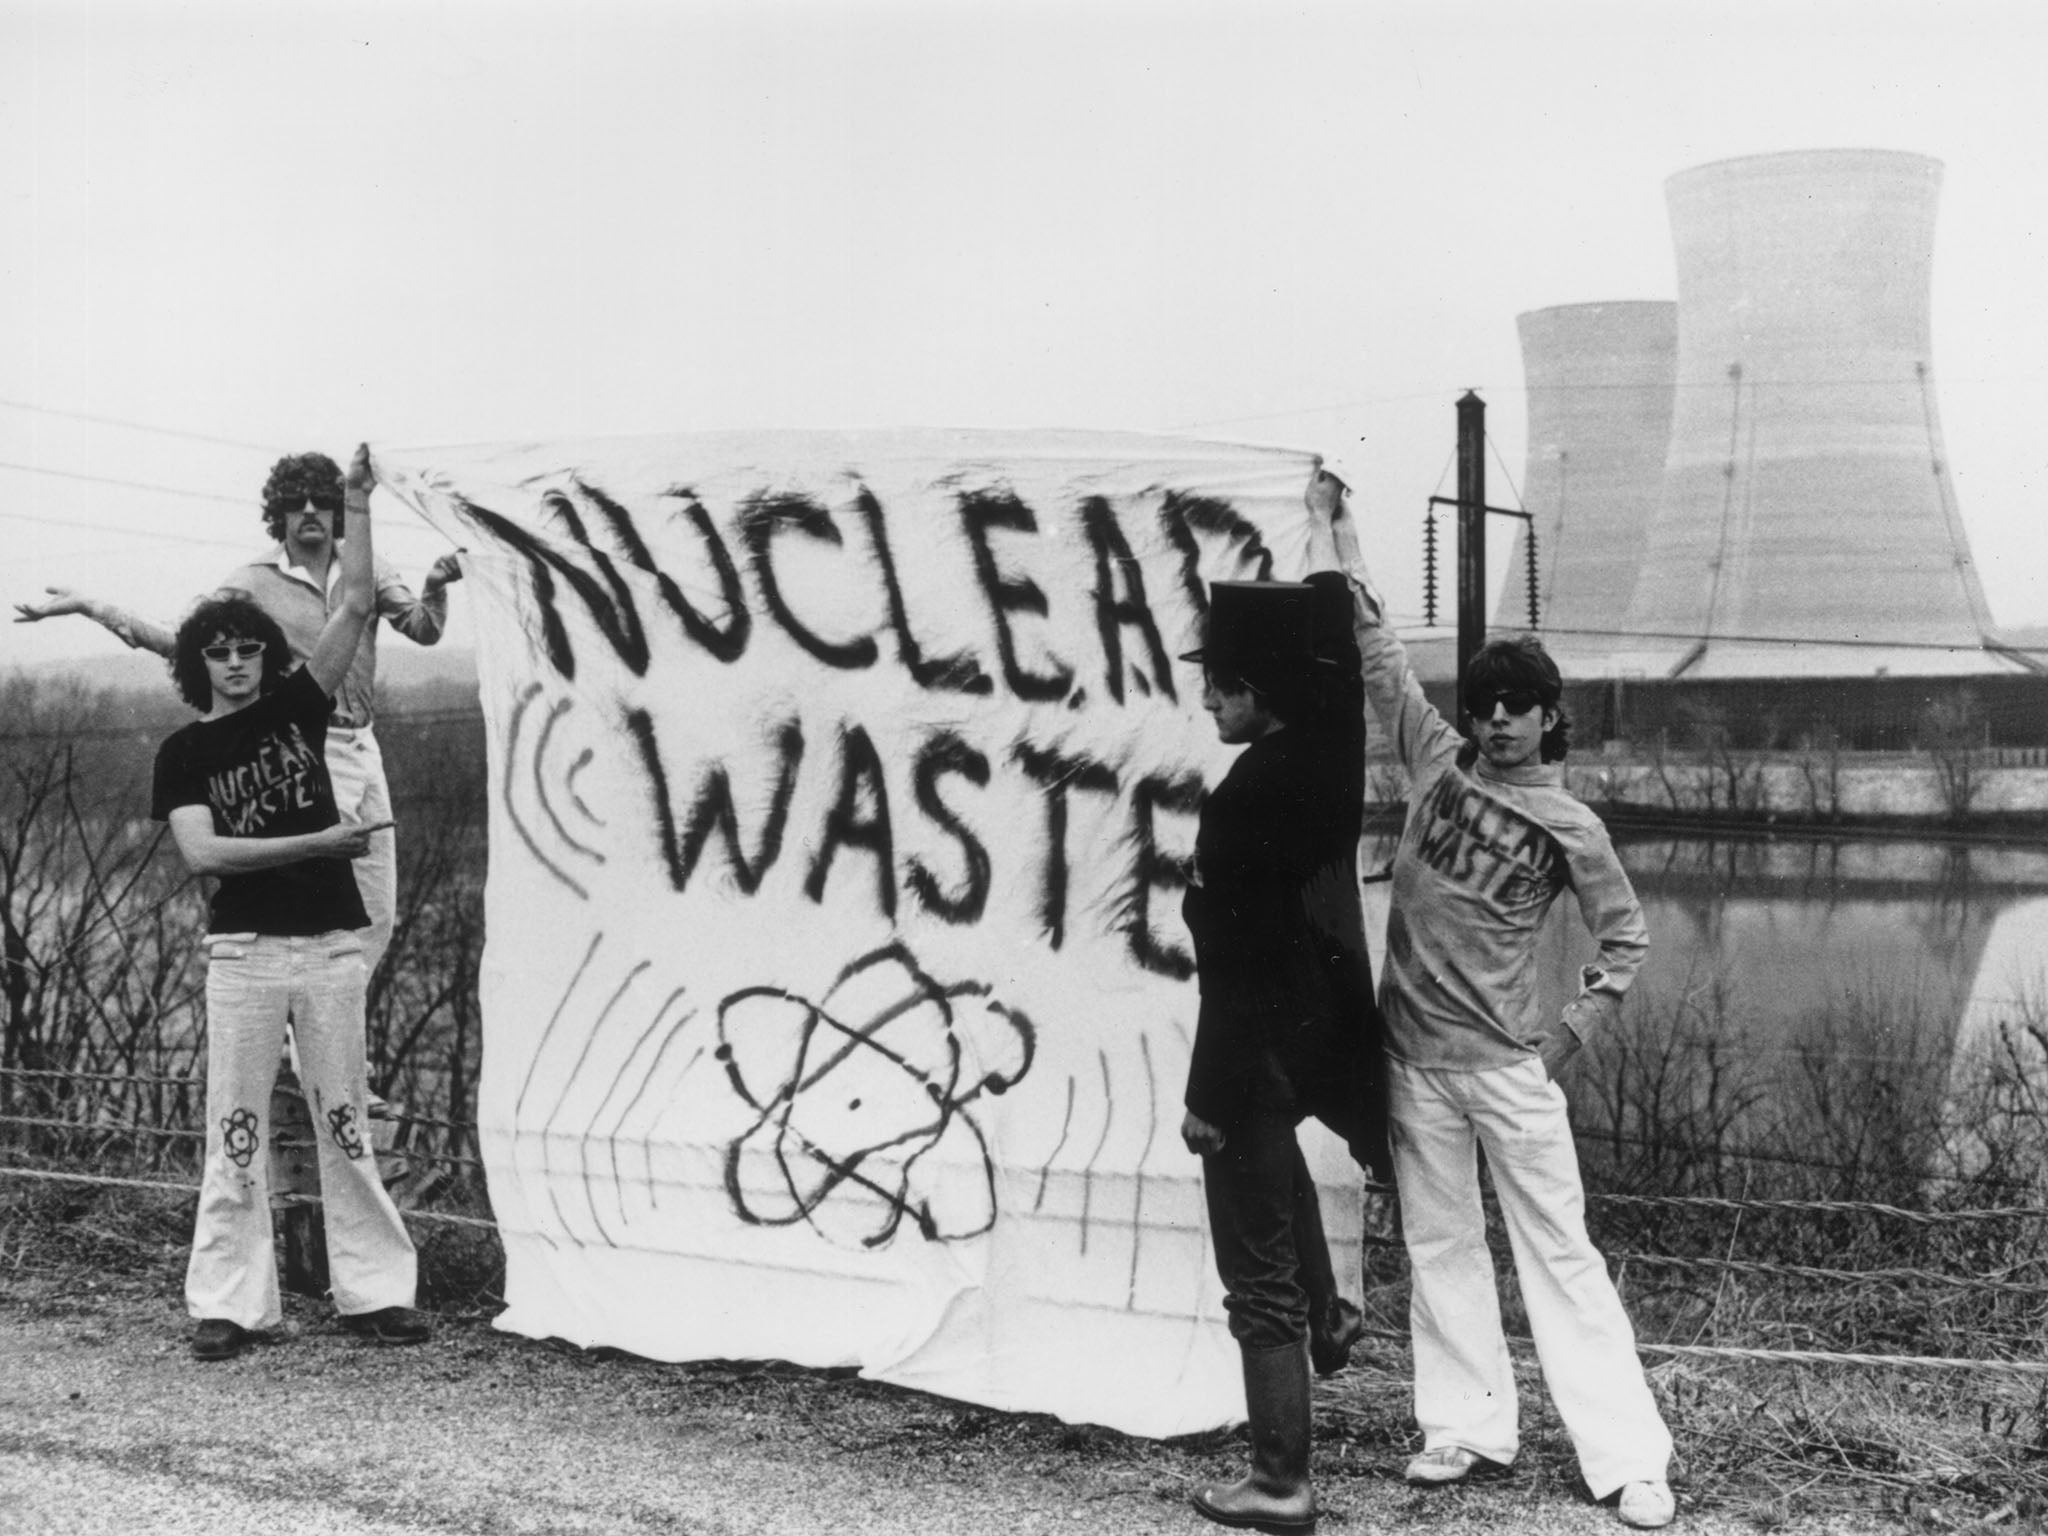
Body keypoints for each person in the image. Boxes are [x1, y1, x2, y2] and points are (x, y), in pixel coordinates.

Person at [1306, 471, 1676, 1529]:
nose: (1498, 721)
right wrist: (1342, 533)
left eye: (1517, 707)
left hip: (1509, 1071)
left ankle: (1625, 1459)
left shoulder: (1571, 827)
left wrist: (1564, 1037)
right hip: (1411, 1062)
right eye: (1484, 706)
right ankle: (1464, 1430)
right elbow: (1380, 661)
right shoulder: (1434, 764)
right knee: (1439, 1249)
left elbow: (1625, 939)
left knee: (1557, 1254)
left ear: (1551, 718)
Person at [151, 443, 430, 1361]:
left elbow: (353, 601)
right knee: (232, 1131)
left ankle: (377, 1295)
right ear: (197, 666)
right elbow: (203, 854)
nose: (234, 663)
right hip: (243, 955)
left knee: (346, 1124)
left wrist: (355, 500)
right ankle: (228, 1304)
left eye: (247, 650)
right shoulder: (183, 755)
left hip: (329, 947)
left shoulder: (303, 710)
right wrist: (318, 844)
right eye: (217, 653)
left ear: (270, 659)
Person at [15, 450, 462, 983]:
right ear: (281, 511)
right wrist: (93, 606)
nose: (312, 511)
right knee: (315, 892)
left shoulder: (367, 569)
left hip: (364, 743)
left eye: (323, 500)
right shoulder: (252, 581)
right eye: (298, 502)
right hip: (301, 749)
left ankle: (335, 1025)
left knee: (377, 908)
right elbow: (183, 639)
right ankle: (299, 1031)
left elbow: (422, 628)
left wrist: (435, 582)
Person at [1179, 576, 1389, 1535]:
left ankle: (1280, 1482)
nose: (1210, 701)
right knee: (1283, 1176)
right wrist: (1328, 587)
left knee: (1251, 1262)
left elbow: (1233, 967)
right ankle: (1332, 1316)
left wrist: (1206, 1094)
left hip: (1254, 1048)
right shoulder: (1331, 755)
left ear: (1261, 690)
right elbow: (1339, 674)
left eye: (1222, 685)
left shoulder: (1244, 797)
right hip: (1320, 1036)